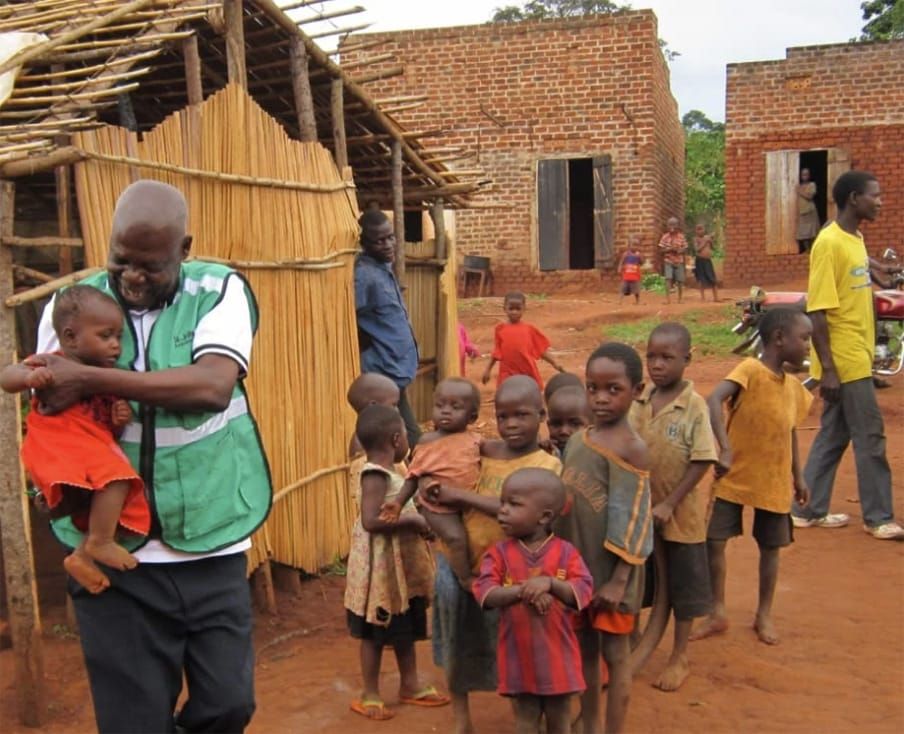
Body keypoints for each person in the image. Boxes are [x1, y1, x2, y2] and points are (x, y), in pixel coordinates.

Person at [28, 180, 271, 732]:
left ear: (183, 250)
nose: (132, 278)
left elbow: (212, 385)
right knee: (133, 722)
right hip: (111, 557)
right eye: (121, 262)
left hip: (210, 540)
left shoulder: (219, 290)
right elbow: (48, 410)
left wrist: (90, 376)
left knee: (229, 704)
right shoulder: (73, 306)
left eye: (151, 266)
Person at [426, 375, 562, 734]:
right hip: (458, 565)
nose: (511, 425)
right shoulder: (481, 449)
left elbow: (515, 511)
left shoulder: (546, 466)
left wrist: (460, 497)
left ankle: (523, 717)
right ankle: (461, 720)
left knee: (514, 649)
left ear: (541, 414)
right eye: (503, 416)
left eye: (521, 415)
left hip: (511, 574)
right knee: (456, 643)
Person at [1, 286, 148, 595]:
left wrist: (120, 418)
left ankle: (82, 554)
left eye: (118, 337)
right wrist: (28, 378)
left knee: (119, 504)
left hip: (90, 449)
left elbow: (107, 427)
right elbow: (6, 377)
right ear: (69, 338)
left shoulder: (107, 378)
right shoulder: (52, 363)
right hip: (59, 444)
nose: (115, 346)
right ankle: (99, 542)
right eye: (106, 336)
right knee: (119, 480)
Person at [793, 171, 903, 540]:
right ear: (854, 198)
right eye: (875, 195)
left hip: (857, 353)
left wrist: (884, 276)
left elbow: (858, 281)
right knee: (869, 435)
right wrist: (829, 371)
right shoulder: (828, 244)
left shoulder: (854, 237)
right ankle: (879, 517)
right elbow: (818, 310)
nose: (880, 201)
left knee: (833, 434)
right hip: (844, 358)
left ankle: (807, 510)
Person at [693, 308, 813, 646]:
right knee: (714, 541)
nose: (808, 346)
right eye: (803, 338)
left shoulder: (793, 387)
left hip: (773, 481)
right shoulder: (749, 370)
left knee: (770, 548)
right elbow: (715, 399)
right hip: (734, 475)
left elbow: (789, 432)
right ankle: (717, 611)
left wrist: (798, 476)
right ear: (778, 338)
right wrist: (725, 449)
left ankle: (764, 614)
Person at [554, 343, 652, 734]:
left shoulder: (633, 449)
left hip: (614, 576)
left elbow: (634, 518)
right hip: (579, 571)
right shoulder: (579, 440)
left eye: (614, 389)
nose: (601, 398)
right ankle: (590, 723)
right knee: (586, 653)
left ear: (637, 391)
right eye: (593, 388)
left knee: (616, 655)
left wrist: (620, 580)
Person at [344, 404, 449, 721]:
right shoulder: (373, 474)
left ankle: (410, 684)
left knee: (404, 624)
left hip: (399, 570)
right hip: (380, 572)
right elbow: (371, 521)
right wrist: (414, 523)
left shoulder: (397, 471)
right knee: (374, 632)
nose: (408, 436)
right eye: (405, 431)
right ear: (394, 438)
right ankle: (370, 694)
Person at [628, 323, 718, 692]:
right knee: (643, 582)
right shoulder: (640, 402)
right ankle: (635, 644)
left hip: (679, 515)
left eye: (667, 357)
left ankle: (679, 655)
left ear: (687, 359)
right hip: (641, 515)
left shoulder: (695, 406)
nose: (657, 365)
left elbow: (702, 461)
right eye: (651, 357)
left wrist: (669, 502)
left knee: (682, 587)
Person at [473, 468, 593, 734]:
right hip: (519, 659)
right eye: (502, 502)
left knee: (559, 721)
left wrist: (550, 584)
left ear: (544, 517)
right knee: (525, 719)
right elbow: (485, 593)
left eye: (513, 504)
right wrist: (524, 591)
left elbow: (583, 591)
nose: (502, 510)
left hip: (559, 660)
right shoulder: (499, 554)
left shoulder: (566, 553)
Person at [382, 378, 483, 589]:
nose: (446, 411)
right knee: (456, 539)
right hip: (439, 507)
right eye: (440, 405)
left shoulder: (475, 439)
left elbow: (500, 450)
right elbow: (414, 476)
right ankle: (465, 579)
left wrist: (536, 443)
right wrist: (398, 503)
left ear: (472, 417)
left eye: (455, 407)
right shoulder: (428, 441)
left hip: (467, 503)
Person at [355, 210, 422, 446]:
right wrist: (370, 347)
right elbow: (349, 318)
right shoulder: (364, 275)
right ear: (364, 243)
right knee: (409, 437)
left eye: (390, 237)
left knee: (404, 435)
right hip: (382, 370)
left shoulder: (382, 269)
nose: (388, 244)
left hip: (394, 368)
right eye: (379, 240)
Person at [482, 292, 565, 389]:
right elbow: (497, 352)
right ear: (504, 309)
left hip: (526, 370)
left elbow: (541, 350)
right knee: (506, 394)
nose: (514, 312)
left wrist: (554, 363)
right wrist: (488, 370)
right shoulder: (500, 329)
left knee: (530, 394)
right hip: (508, 372)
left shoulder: (529, 329)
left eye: (518, 309)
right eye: (511, 309)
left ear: (524, 309)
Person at [346, 372, 402, 509]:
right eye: (393, 405)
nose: (398, 411)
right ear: (373, 406)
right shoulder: (362, 445)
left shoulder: (383, 434)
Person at [546, 385, 591, 457]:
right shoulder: (545, 455)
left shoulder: (598, 458)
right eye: (556, 424)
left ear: (591, 426)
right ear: (548, 425)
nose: (564, 431)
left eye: (575, 424)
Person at [658, 217, 688, 305]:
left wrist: (679, 250)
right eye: (670, 224)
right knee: (668, 279)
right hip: (668, 261)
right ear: (667, 226)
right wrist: (670, 249)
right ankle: (668, 299)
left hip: (679, 261)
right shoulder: (665, 237)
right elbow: (660, 250)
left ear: (678, 226)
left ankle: (680, 299)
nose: (672, 227)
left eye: (674, 224)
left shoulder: (681, 237)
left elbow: (685, 248)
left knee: (680, 280)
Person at [796, 168, 820, 254]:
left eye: (806, 174)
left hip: (810, 211)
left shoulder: (812, 185)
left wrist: (799, 191)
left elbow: (810, 196)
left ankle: (813, 250)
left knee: (812, 232)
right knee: (803, 232)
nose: (805, 176)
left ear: (809, 176)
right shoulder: (799, 185)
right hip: (802, 212)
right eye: (803, 174)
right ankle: (807, 250)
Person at [692, 224, 719, 302]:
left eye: (701, 229)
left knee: (712, 278)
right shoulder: (695, 239)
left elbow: (713, 248)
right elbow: (697, 249)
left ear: (704, 230)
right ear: (696, 231)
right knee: (701, 279)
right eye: (698, 229)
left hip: (708, 260)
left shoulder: (707, 238)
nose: (700, 231)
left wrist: (711, 241)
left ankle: (716, 297)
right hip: (700, 260)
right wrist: (705, 241)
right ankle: (703, 298)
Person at [617, 237, 643, 305]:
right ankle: (620, 301)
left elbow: (641, 262)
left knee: (636, 290)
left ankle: (637, 301)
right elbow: (621, 261)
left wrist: (640, 257)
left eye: (637, 245)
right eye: (633, 245)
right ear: (629, 246)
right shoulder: (626, 254)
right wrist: (619, 268)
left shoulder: (638, 254)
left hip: (635, 275)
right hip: (626, 275)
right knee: (623, 288)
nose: (635, 247)